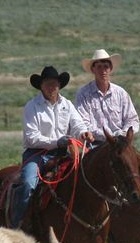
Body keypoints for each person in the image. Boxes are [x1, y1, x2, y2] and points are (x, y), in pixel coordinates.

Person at [10, 65, 93, 228]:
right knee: (28, 184)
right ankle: (18, 223)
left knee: (83, 177)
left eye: (54, 83)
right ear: (40, 86)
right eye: (47, 83)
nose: (51, 87)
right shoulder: (32, 107)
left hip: (61, 153)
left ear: (59, 85)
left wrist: (83, 132)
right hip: (36, 154)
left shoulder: (67, 105)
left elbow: (77, 124)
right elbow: (32, 138)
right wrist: (57, 142)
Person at [76, 49, 139, 145]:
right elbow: (83, 122)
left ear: (110, 69)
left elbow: (132, 119)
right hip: (96, 144)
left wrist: (123, 133)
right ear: (93, 69)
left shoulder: (121, 93)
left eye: (106, 67)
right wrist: (108, 136)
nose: (103, 71)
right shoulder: (84, 93)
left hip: (120, 143)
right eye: (99, 67)